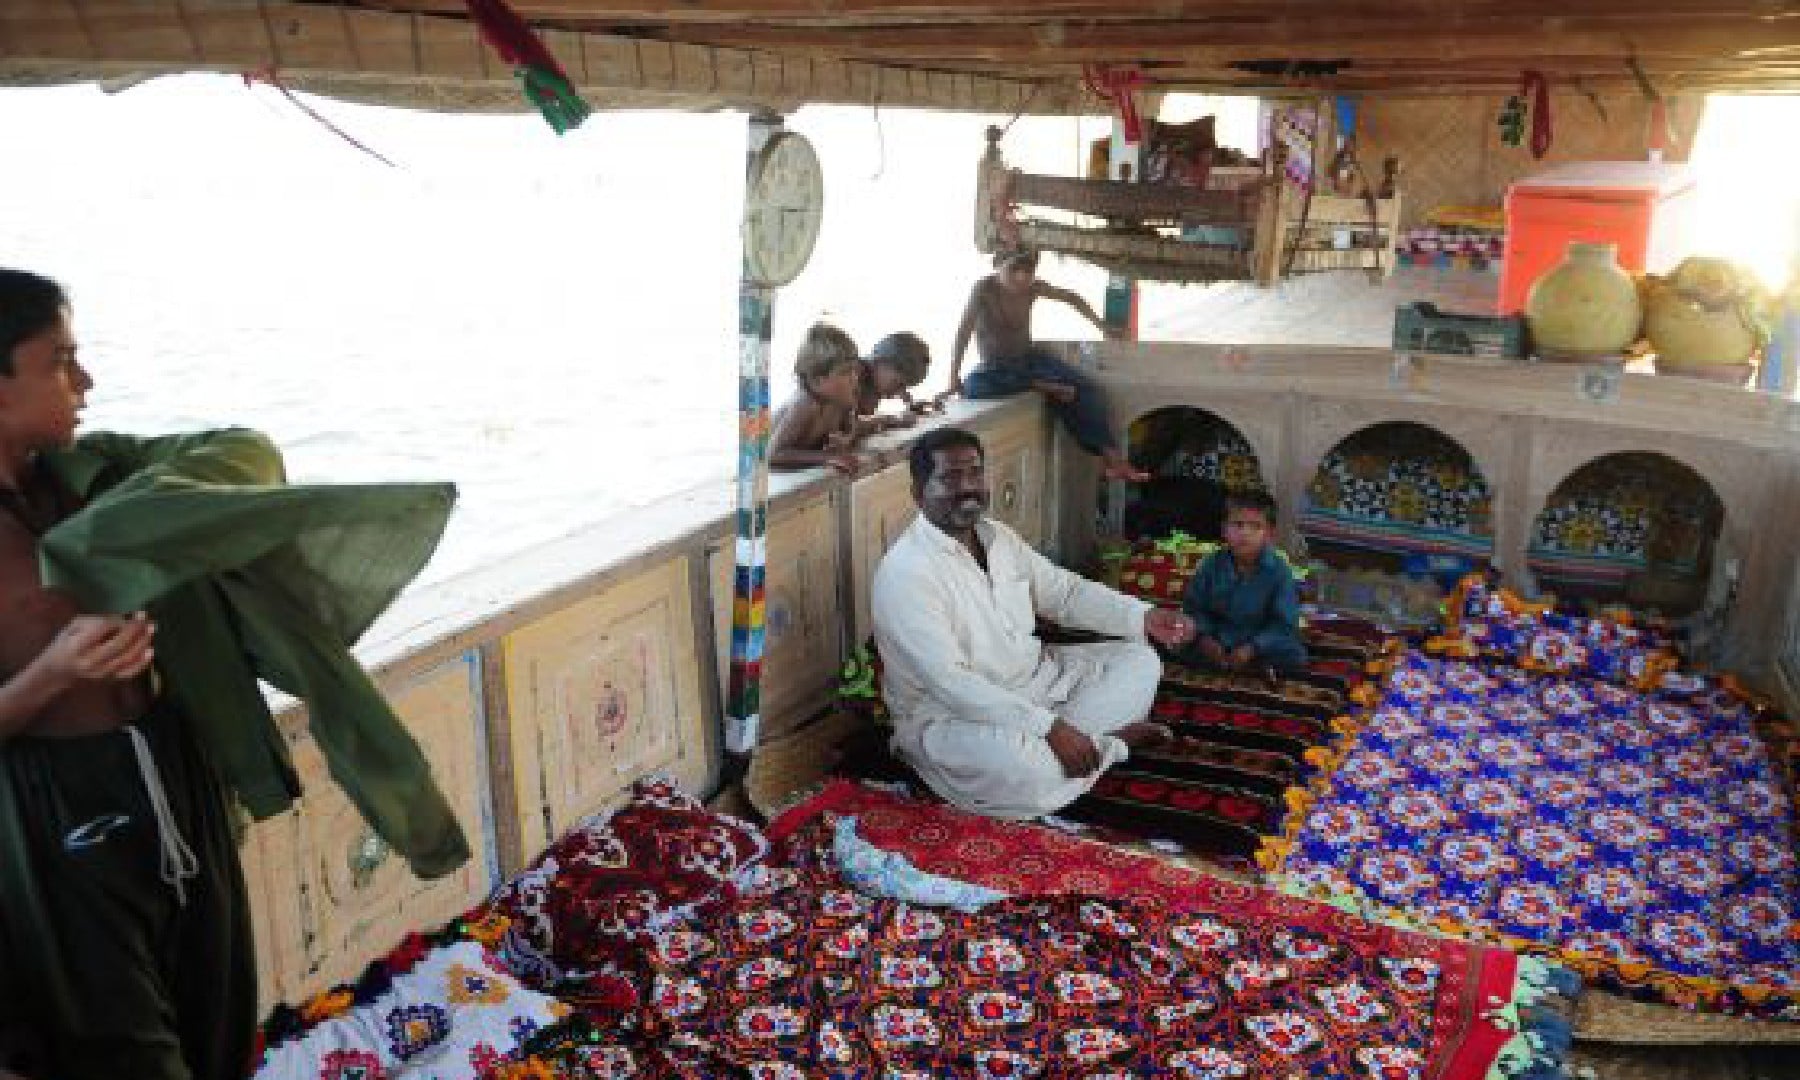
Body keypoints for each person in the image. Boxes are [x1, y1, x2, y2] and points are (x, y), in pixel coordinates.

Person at [0, 268, 467, 1080]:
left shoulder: (94, 480)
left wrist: (137, 527)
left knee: (218, 1027)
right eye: (61, 361)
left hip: (181, 771)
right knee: (121, 1055)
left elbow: (248, 453)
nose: (86, 382)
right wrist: (52, 672)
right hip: (61, 814)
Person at [871, 427, 1197, 820]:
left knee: (1140, 662)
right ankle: (1114, 746)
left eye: (975, 473)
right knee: (1033, 773)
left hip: (1038, 682)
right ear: (918, 493)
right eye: (950, 478)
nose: (968, 488)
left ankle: (1081, 751)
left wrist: (1142, 616)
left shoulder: (997, 538)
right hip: (953, 717)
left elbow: (1065, 594)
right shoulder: (907, 572)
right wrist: (1050, 728)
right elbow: (950, 682)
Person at [948, 248, 1147, 482]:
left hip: (1029, 360)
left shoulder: (1034, 287)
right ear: (998, 265)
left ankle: (1115, 462)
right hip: (997, 369)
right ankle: (1043, 387)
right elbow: (963, 330)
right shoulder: (983, 289)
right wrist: (953, 374)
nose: (1022, 277)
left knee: (1086, 389)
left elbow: (1071, 298)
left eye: (1028, 272)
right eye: (1015, 270)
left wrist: (1101, 325)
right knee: (975, 386)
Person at [1179, 489, 1307, 679]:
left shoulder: (1279, 571)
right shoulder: (1210, 564)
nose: (1244, 533)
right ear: (1224, 530)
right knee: (1178, 641)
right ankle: (1224, 661)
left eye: (1255, 526)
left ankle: (1254, 665)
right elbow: (1194, 608)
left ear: (1269, 534)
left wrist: (1252, 648)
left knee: (1294, 655)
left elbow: (1284, 623)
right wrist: (1205, 639)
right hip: (1218, 637)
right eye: (1237, 524)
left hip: (1259, 641)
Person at [770, 322, 865, 475]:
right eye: (845, 372)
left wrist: (844, 440)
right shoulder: (805, 404)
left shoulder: (841, 403)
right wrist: (828, 457)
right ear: (816, 380)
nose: (855, 378)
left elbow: (851, 429)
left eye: (855, 370)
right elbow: (773, 455)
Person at [855, 331, 936, 432]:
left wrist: (912, 407)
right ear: (880, 362)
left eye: (905, 387)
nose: (898, 393)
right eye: (898, 383)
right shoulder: (854, 378)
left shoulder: (874, 382)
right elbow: (843, 427)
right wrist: (892, 421)